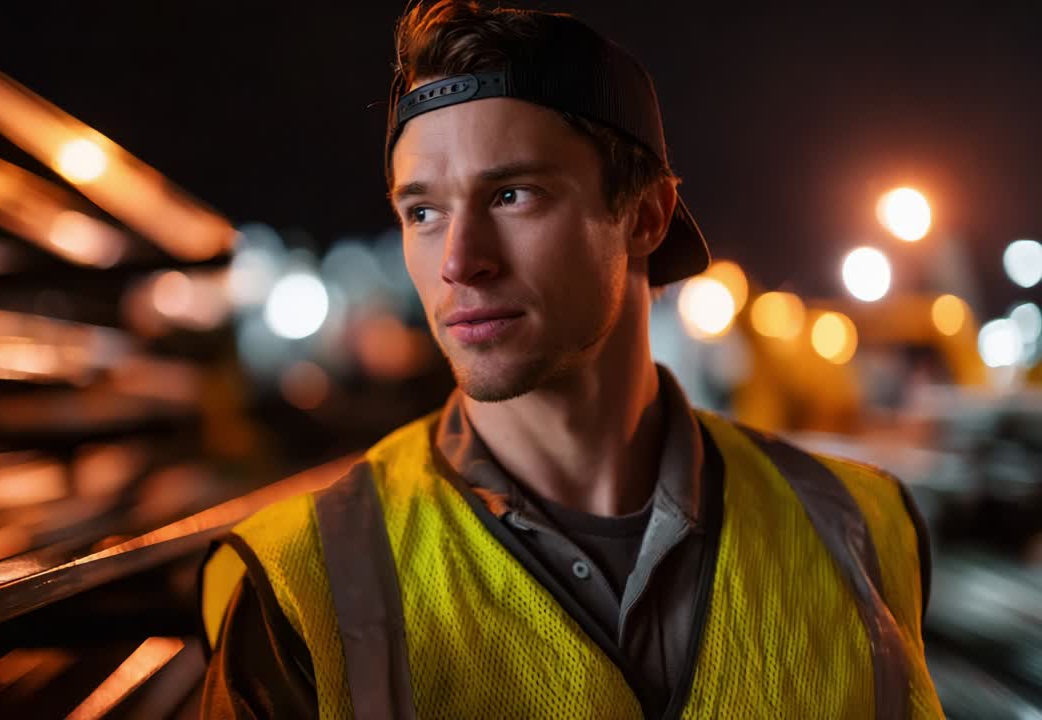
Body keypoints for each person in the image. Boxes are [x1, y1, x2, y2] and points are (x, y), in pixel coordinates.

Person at [198, 1, 944, 717]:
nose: (459, 261)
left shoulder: (857, 526)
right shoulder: (303, 584)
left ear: (645, 215)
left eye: (514, 194)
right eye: (422, 212)